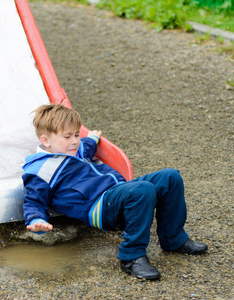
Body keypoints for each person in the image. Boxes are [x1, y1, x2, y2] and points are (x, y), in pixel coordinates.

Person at [22, 104, 207, 280]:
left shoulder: (75, 150)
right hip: (98, 206)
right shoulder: (41, 170)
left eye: (76, 135)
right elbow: (33, 200)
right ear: (45, 141)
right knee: (143, 189)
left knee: (170, 177)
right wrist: (36, 220)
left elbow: (87, 145)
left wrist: (92, 138)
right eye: (67, 136)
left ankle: (173, 239)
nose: (74, 141)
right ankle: (131, 256)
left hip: (117, 192)